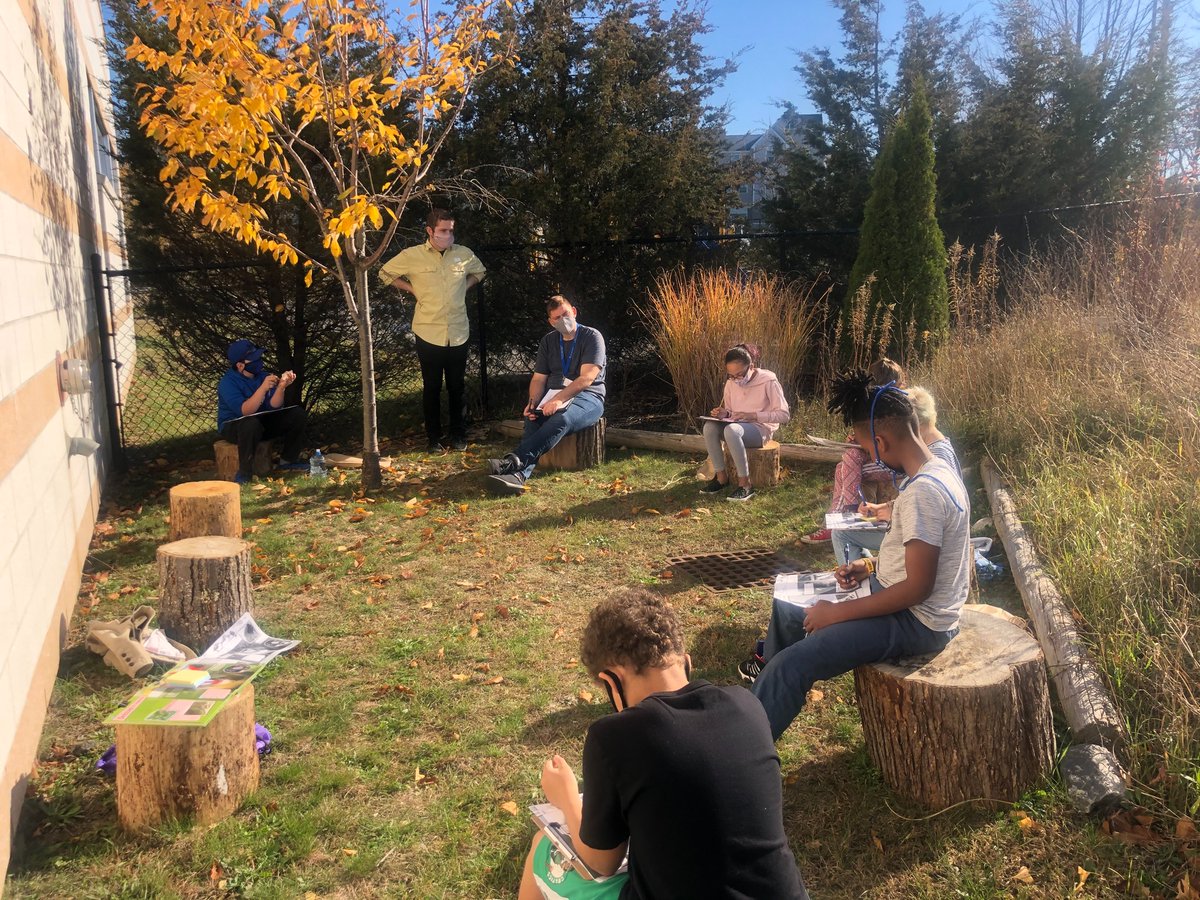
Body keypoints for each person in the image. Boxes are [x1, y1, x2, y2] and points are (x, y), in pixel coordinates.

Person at [518, 588, 809, 900]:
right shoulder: (748, 706)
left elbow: (600, 862)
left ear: (612, 682)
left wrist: (565, 798)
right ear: (686, 662)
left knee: (543, 845)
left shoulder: (614, 736)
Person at [740, 371, 970, 741]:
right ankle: (765, 696)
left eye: (866, 449)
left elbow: (917, 589)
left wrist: (835, 614)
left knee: (791, 665)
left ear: (880, 442)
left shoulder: (924, 492)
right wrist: (871, 565)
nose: (867, 456)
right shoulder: (934, 470)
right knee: (788, 605)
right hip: (894, 595)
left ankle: (742, 753)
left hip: (918, 623)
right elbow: (923, 560)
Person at [380, 208, 486, 452]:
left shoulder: (464, 254)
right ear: (430, 231)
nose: (448, 235)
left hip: (458, 331)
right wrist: (412, 289)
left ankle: (459, 436)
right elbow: (384, 273)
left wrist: (463, 288)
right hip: (428, 332)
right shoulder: (412, 255)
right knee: (431, 388)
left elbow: (479, 273)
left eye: (450, 230)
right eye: (443, 230)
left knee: (457, 387)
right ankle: (433, 439)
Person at [829, 385, 963, 565]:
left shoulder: (928, 480)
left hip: (913, 545)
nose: (874, 458)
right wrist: (889, 507)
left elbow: (919, 581)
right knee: (842, 533)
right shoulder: (933, 464)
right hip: (909, 538)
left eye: (870, 450)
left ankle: (860, 589)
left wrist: (871, 582)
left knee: (841, 534)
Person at [487, 295, 606, 495]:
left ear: (574, 312)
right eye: (557, 318)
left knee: (562, 418)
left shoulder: (592, 336)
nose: (563, 321)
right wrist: (533, 403)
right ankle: (517, 476)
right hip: (553, 396)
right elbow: (538, 379)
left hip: (588, 397)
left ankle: (512, 461)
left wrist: (559, 400)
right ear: (551, 322)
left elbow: (587, 378)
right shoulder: (548, 341)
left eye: (565, 314)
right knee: (534, 417)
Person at [800, 358, 905, 544]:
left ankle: (843, 516)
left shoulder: (899, 405)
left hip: (893, 464)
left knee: (844, 466)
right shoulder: (873, 404)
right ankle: (842, 516)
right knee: (850, 457)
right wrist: (857, 440)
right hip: (876, 458)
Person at [699, 344, 791, 502]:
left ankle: (745, 484)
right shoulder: (730, 383)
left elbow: (784, 415)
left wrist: (753, 415)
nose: (736, 380)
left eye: (740, 374)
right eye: (731, 375)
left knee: (732, 430)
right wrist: (724, 413)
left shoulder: (768, 380)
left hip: (760, 430)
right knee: (709, 427)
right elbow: (732, 414)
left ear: (751, 367)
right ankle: (721, 478)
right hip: (737, 426)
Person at [216, 340, 307, 484]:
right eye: (254, 360)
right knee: (250, 424)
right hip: (235, 426)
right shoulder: (228, 383)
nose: (259, 362)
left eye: (259, 358)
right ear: (240, 366)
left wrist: (281, 387)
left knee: (297, 414)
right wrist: (263, 388)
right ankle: (244, 474)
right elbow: (245, 410)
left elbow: (274, 406)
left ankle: (288, 461)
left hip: (261, 421)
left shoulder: (262, 376)